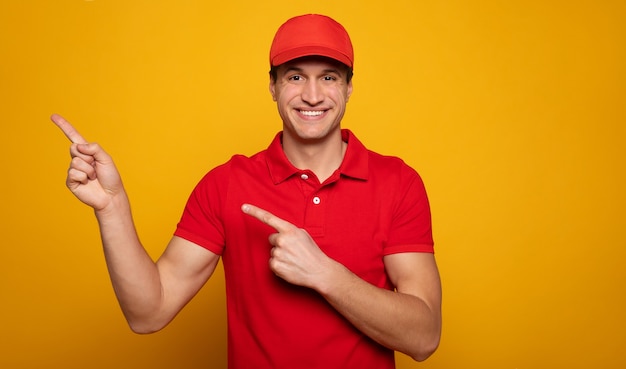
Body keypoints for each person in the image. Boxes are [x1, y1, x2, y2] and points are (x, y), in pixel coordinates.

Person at [52, 14, 441, 369]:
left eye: (328, 77)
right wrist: (112, 208)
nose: (312, 95)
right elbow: (148, 313)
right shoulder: (226, 184)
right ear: (272, 86)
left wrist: (325, 274)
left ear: (349, 87)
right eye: (294, 77)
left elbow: (424, 337)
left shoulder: (398, 183)